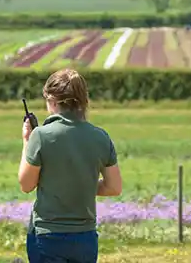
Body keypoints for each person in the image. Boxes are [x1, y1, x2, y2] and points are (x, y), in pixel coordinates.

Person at [18, 68, 123, 263]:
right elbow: (114, 187)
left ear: (53, 101)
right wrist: (82, 183)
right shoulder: (101, 137)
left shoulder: (40, 136)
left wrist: (27, 140)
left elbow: (26, 184)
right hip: (85, 236)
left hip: (48, 234)